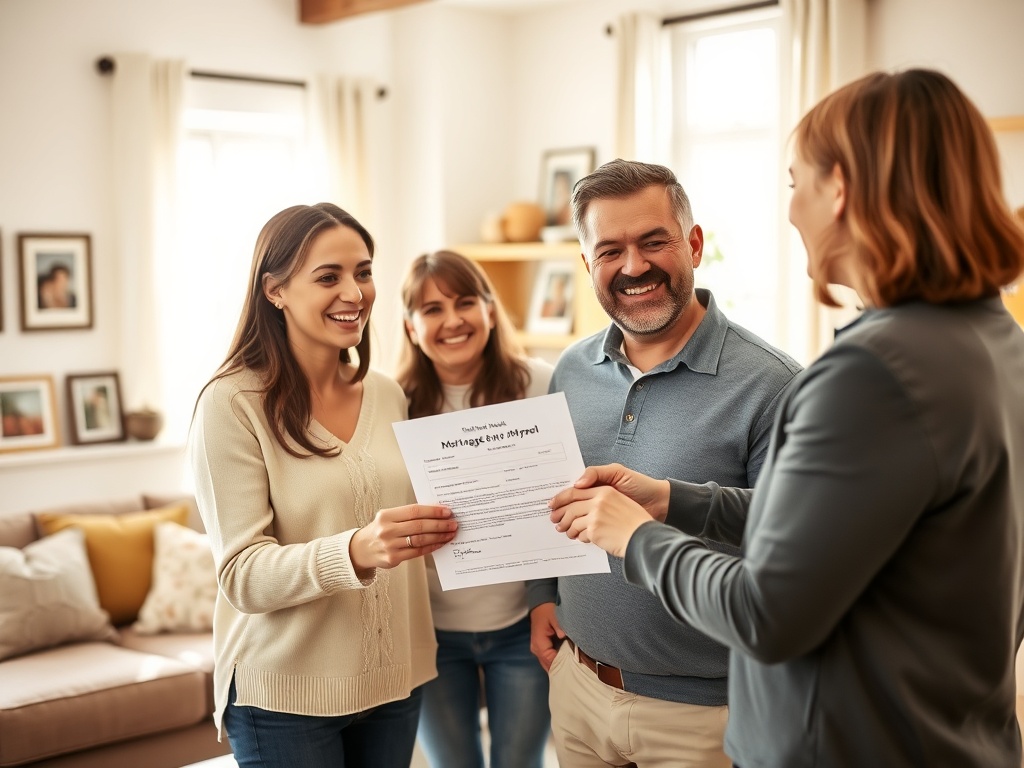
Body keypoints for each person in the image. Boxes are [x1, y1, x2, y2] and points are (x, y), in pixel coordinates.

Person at [550, 69, 1024, 767]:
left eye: (796, 181)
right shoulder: (988, 338)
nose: (792, 210)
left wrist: (638, 535)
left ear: (843, 191)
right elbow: (833, 529)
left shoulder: (874, 374)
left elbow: (765, 612)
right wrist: (677, 500)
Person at [527, 159, 802, 768]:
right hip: (579, 687)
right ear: (587, 265)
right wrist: (543, 595)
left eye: (654, 242)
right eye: (610, 250)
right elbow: (551, 496)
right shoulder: (570, 370)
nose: (633, 267)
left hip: (707, 715)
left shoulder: (774, 384)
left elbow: (794, 537)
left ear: (694, 244)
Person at [189, 203, 459, 768]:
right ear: (275, 290)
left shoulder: (388, 395)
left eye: (362, 272)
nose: (355, 292)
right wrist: (356, 549)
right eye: (328, 276)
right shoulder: (231, 404)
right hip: (283, 698)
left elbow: (413, 531)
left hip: (396, 680)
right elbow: (242, 575)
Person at [396, 249, 554, 768]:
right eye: (432, 309)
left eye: (465, 301)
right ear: (411, 326)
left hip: (522, 622)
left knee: (520, 763)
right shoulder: (391, 404)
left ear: (490, 309)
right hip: (430, 633)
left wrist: (546, 603)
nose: (453, 320)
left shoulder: (540, 384)